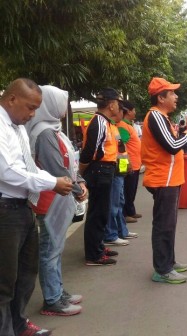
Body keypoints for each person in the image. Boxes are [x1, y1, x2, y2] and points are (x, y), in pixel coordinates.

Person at [0, 78, 73, 336]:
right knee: (5, 281)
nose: (32, 114)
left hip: (23, 207)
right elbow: (7, 171)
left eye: (36, 109)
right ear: (11, 99)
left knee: (25, 274)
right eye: (30, 108)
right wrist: (51, 182)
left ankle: (19, 325)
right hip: (5, 210)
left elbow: (28, 166)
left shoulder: (18, 125)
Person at [26, 85, 86, 317]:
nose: (63, 109)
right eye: (60, 103)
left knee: (55, 248)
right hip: (50, 198)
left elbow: (69, 163)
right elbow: (54, 168)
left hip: (58, 196)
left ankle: (58, 292)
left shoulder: (53, 129)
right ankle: (52, 300)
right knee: (50, 250)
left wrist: (78, 182)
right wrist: (76, 189)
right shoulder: (43, 133)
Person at [141, 77, 187, 284]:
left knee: (168, 224)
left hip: (168, 179)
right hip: (162, 180)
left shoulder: (162, 117)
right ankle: (162, 269)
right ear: (161, 97)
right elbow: (172, 146)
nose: (176, 96)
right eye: (172, 93)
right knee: (163, 225)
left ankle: (168, 260)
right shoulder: (156, 116)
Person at [79, 88, 122, 266]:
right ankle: (93, 255)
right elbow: (90, 151)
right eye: (117, 104)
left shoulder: (105, 122)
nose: (118, 107)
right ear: (111, 105)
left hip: (104, 170)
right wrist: (81, 173)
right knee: (97, 213)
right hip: (100, 170)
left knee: (101, 211)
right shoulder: (99, 122)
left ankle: (98, 246)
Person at [104, 102, 138, 246]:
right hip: (115, 170)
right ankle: (112, 234)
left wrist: (126, 166)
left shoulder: (115, 127)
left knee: (120, 201)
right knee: (114, 203)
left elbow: (122, 149)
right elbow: (117, 151)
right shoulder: (113, 127)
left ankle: (121, 231)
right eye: (120, 112)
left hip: (120, 170)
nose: (120, 114)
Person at [118, 100, 143, 224]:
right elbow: (122, 146)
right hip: (127, 163)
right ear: (128, 111)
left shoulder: (128, 124)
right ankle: (126, 213)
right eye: (134, 110)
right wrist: (127, 164)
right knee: (127, 189)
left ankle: (131, 211)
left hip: (134, 162)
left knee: (131, 189)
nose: (135, 112)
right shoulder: (122, 125)